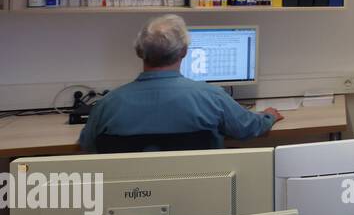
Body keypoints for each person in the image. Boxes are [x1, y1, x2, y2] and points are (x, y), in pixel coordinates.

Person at [79, 14, 283, 151]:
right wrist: (268, 117)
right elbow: (247, 128)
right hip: (197, 196)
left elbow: (87, 145)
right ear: (184, 51)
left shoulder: (108, 105)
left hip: (131, 200)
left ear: (139, 51)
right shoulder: (212, 98)